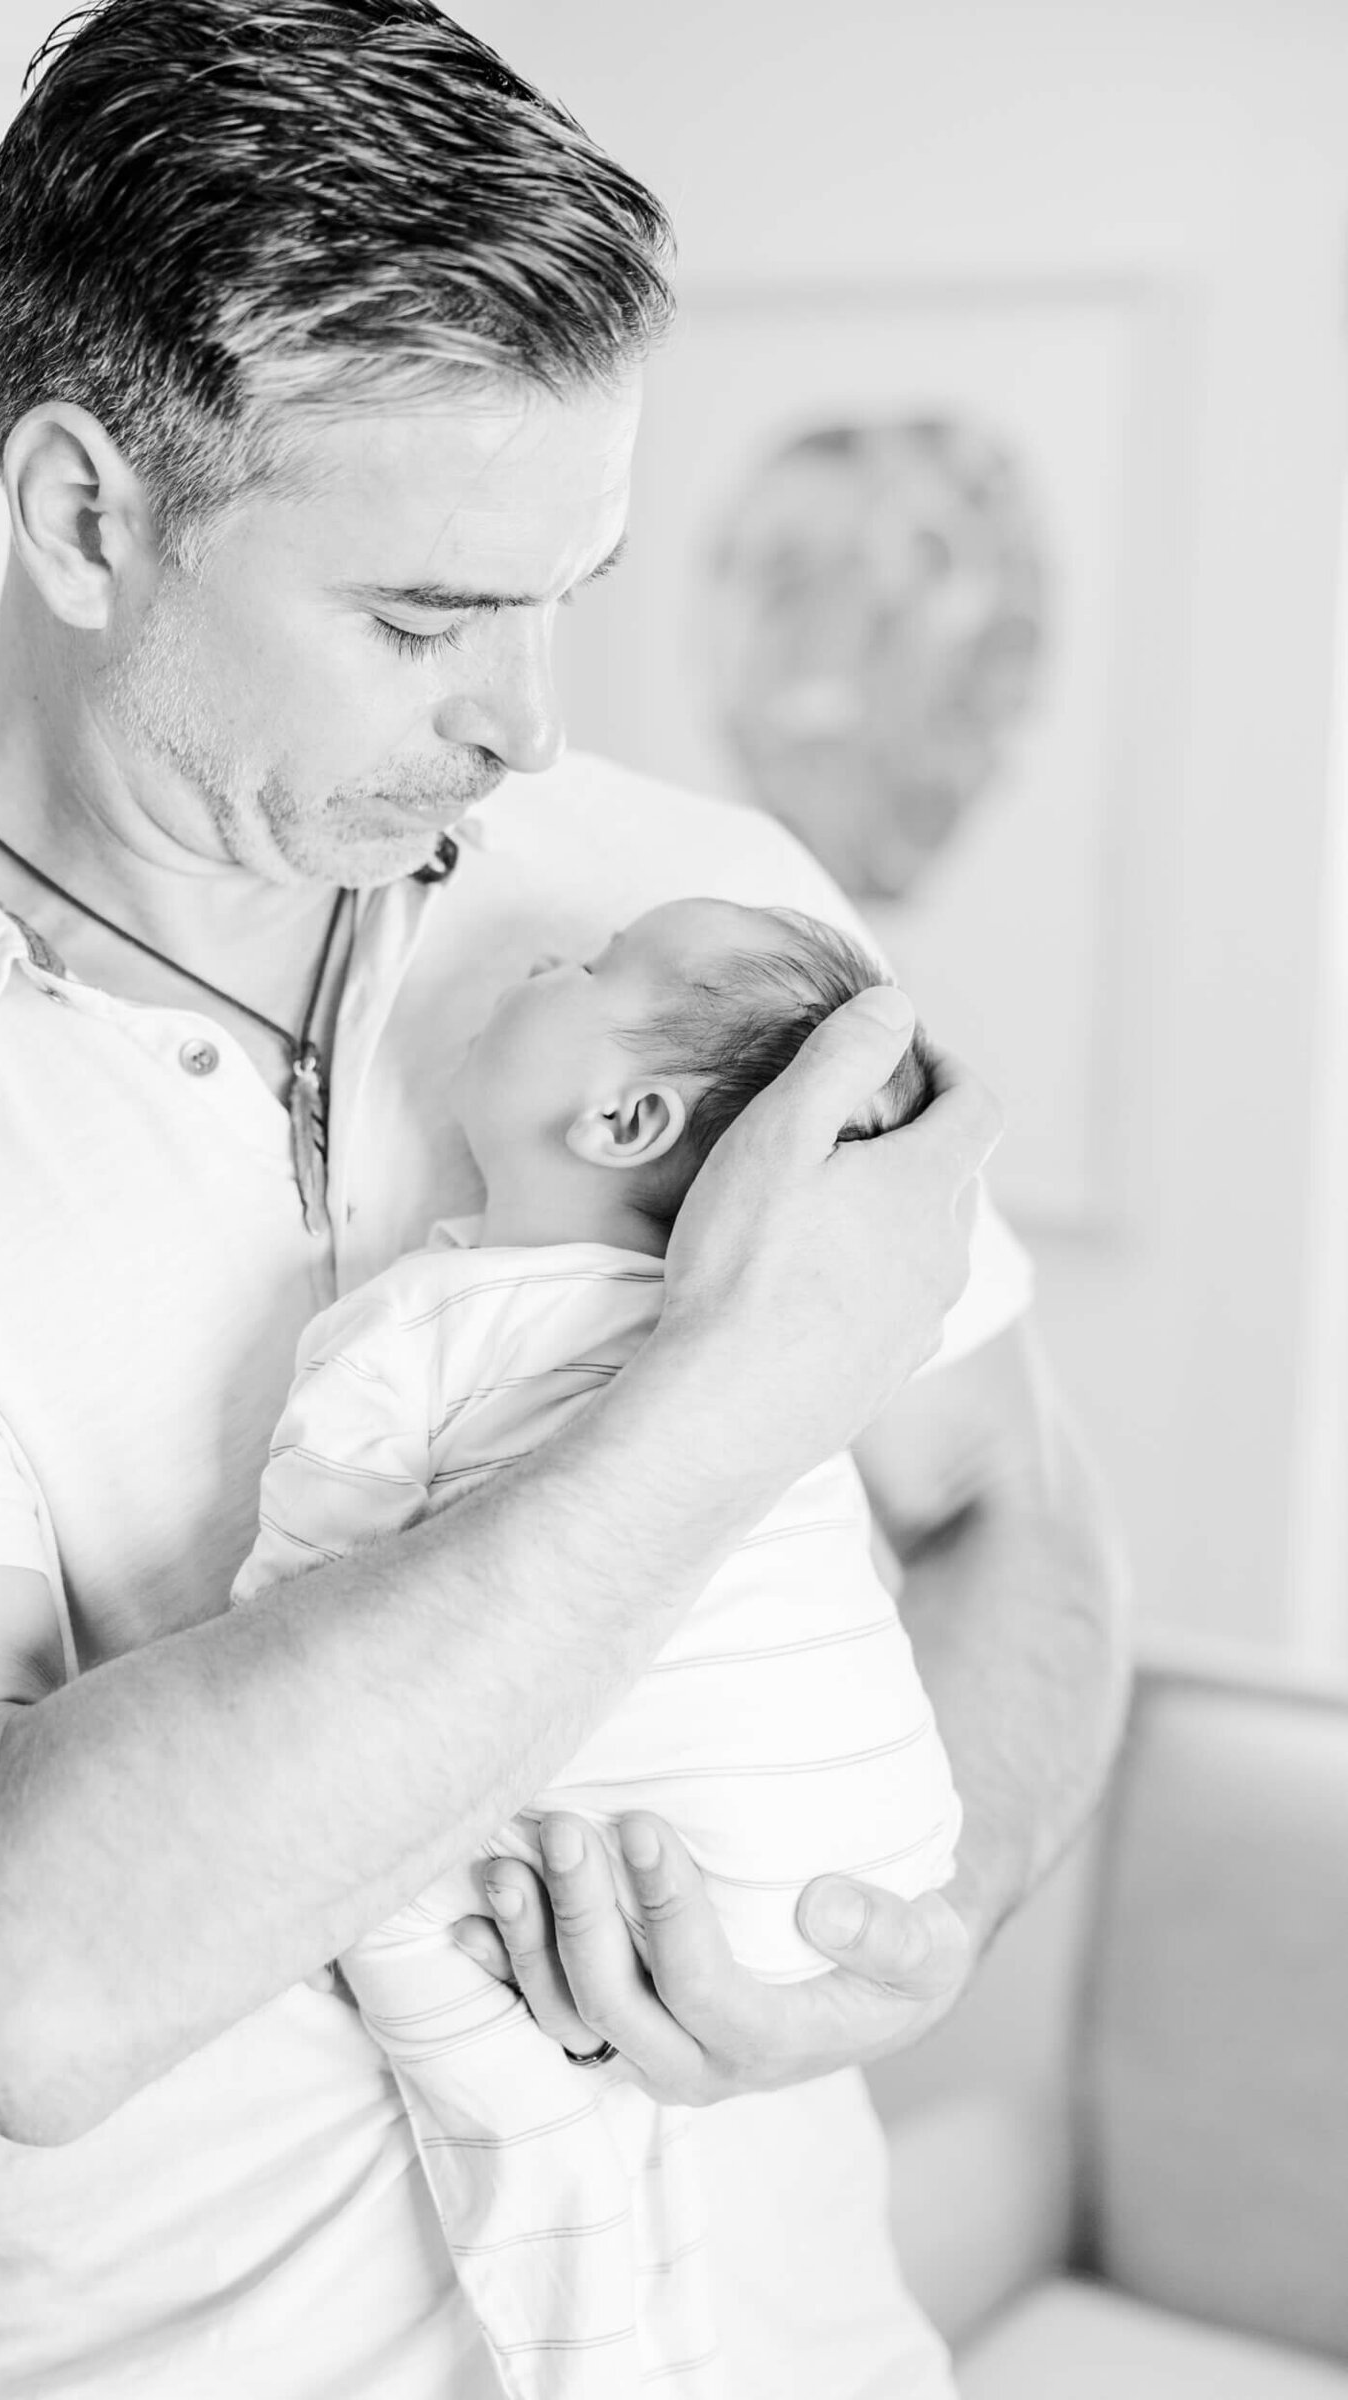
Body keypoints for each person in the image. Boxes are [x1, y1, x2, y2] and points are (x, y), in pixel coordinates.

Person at [0, 5, 1128, 2396]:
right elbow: (16, 1974)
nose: (529, 730)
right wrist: (724, 1398)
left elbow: (998, 1503)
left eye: (558, 586)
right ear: (87, 515)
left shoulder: (688, 902)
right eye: (420, 620)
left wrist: (922, 1915)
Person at [236, 898, 962, 2398]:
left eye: (582, 972)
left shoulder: (418, 1332)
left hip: (635, 1901)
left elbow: (292, 1641)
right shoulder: (801, 1341)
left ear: (628, 1117)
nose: (533, 960)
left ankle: (573, 2288)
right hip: (866, 1867)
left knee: (363, 1875)